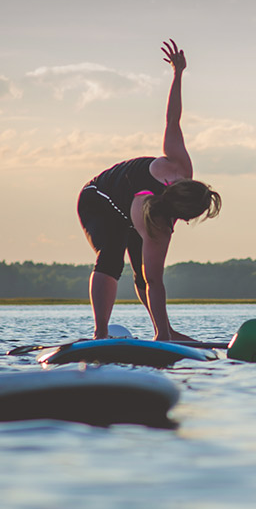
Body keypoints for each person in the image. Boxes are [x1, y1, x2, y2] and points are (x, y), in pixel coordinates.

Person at [77, 40, 221, 341]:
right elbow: (172, 119)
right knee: (112, 255)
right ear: (182, 217)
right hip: (98, 198)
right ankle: (100, 333)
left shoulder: (177, 175)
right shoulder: (159, 223)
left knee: (145, 273)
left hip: (133, 212)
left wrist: (178, 74)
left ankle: (163, 330)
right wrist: (178, 74)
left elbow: (152, 280)